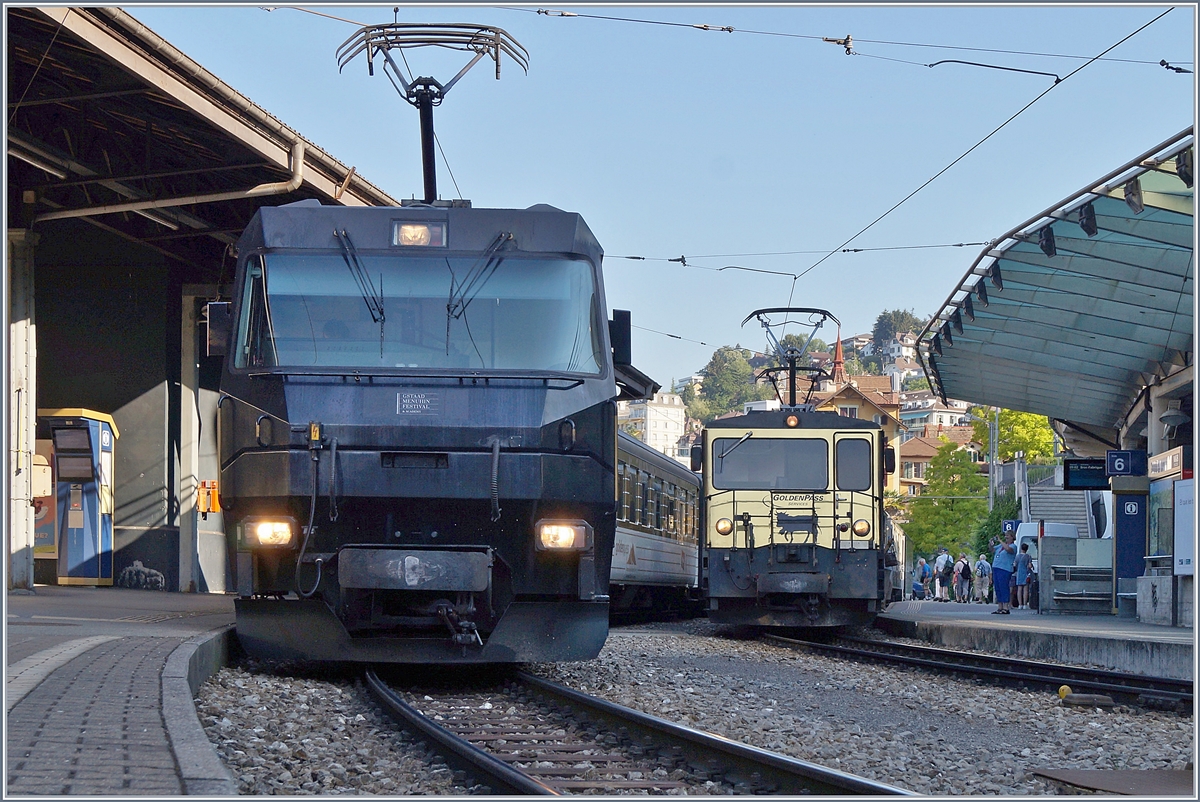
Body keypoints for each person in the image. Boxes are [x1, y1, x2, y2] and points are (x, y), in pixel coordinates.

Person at [991, 532, 1017, 614]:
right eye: (1005, 536)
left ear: (1012, 537)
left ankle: (1006, 607)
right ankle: (1000, 606)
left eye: (1008, 536)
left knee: (1004, 587)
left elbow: (1008, 550)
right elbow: (992, 550)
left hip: (1005, 569)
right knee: (997, 587)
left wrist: (1000, 540)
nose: (1006, 537)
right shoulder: (1000, 546)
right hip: (996, 567)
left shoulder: (1013, 546)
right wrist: (991, 544)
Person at [1013, 542, 1034, 610]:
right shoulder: (1028, 556)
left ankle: (1020, 604)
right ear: (1027, 549)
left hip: (1019, 573)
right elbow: (1030, 566)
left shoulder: (1017, 556)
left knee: (1019, 589)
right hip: (1026, 573)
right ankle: (1025, 604)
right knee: (1026, 590)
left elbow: (1015, 565)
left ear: (1021, 548)